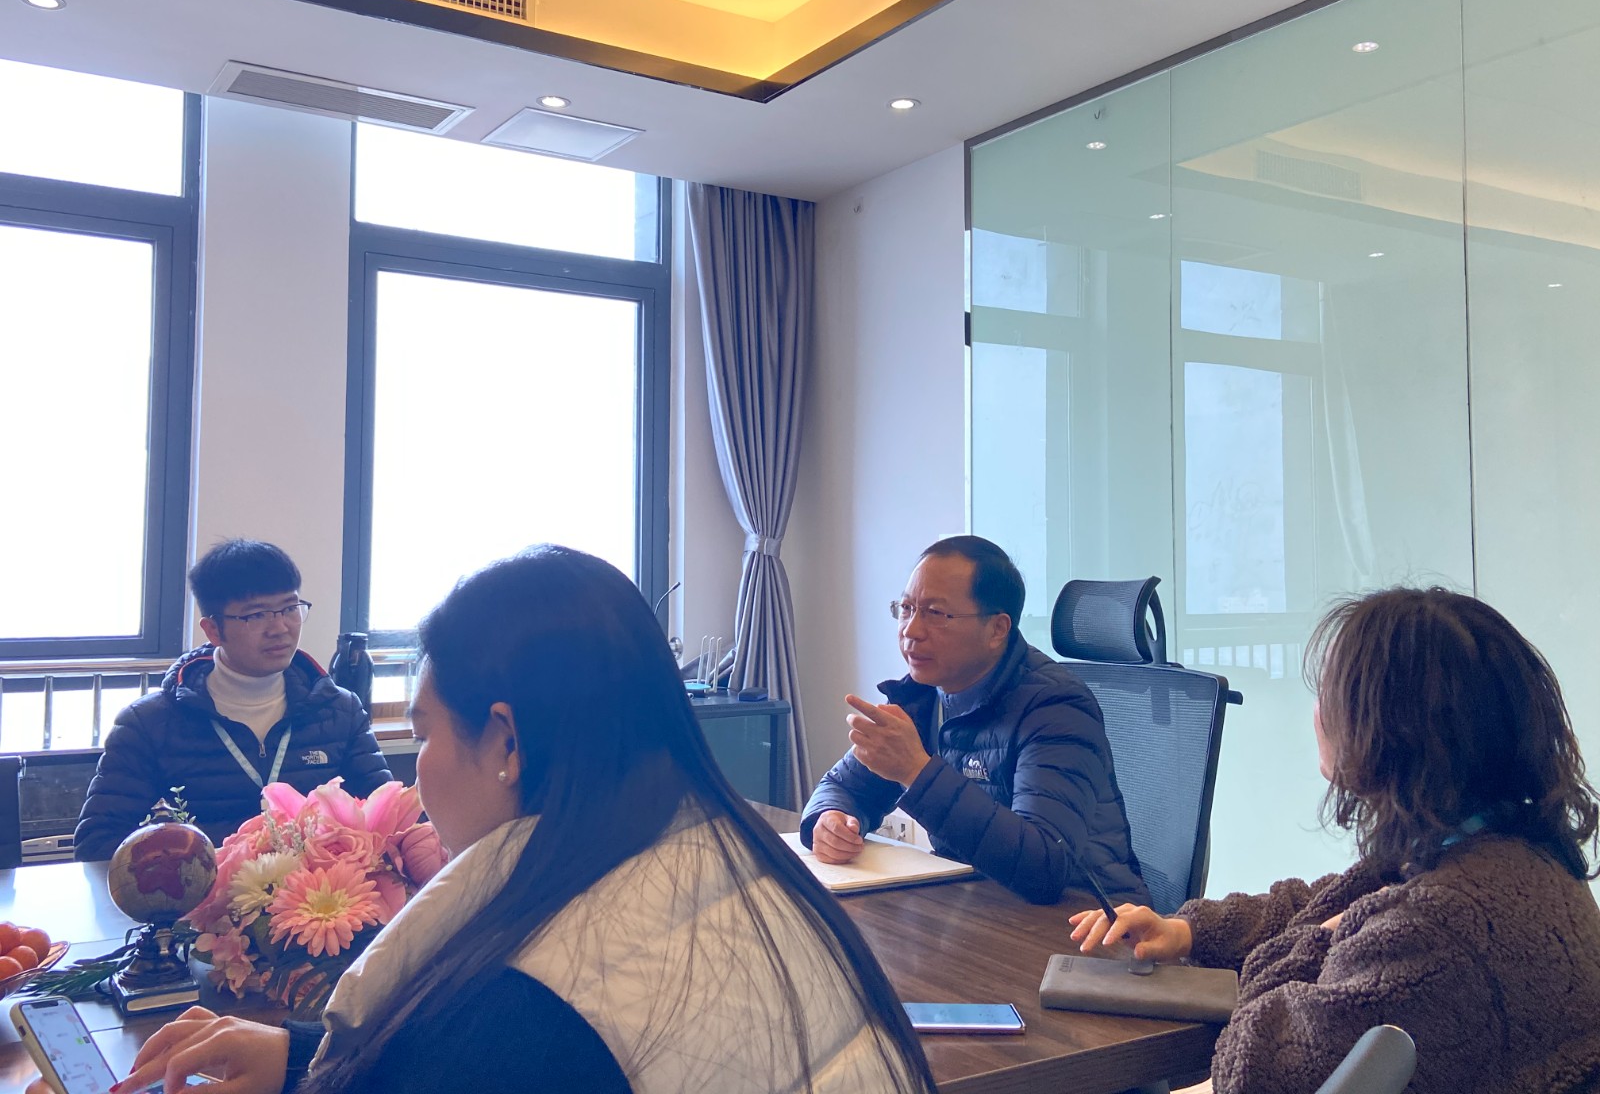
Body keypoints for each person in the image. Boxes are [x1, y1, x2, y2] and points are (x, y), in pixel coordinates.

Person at [106, 546, 938, 1094]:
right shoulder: (728, 856)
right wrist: (301, 1061)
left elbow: (508, 1051)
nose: (416, 773)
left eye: (425, 735)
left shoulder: (526, 1005)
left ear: (506, 740)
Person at [1070, 587, 1600, 1094]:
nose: (1318, 712)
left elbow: (1249, 1070)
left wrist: (1320, 939)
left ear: (1391, 729)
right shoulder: (1505, 849)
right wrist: (1189, 930)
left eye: (1332, 693)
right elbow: (1328, 901)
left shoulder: (1433, 931)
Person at [801, 535, 1147, 906]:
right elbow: (843, 786)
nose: (911, 630)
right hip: (976, 905)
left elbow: (1044, 866)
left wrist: (916, 771)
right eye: (906, 608)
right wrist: (830, 819)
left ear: (997, 629)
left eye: (936, 614)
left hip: (1088, 920)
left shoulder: (1055, 706)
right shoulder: (921, 695)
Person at [75, 539, 392, 860]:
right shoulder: (149, 724)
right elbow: (98, 844)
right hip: (202, 891)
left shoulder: (340, 711)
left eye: (290, 608)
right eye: (256, 615)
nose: (280, 627)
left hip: (320, 889)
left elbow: (388, 823)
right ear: (213, 629)